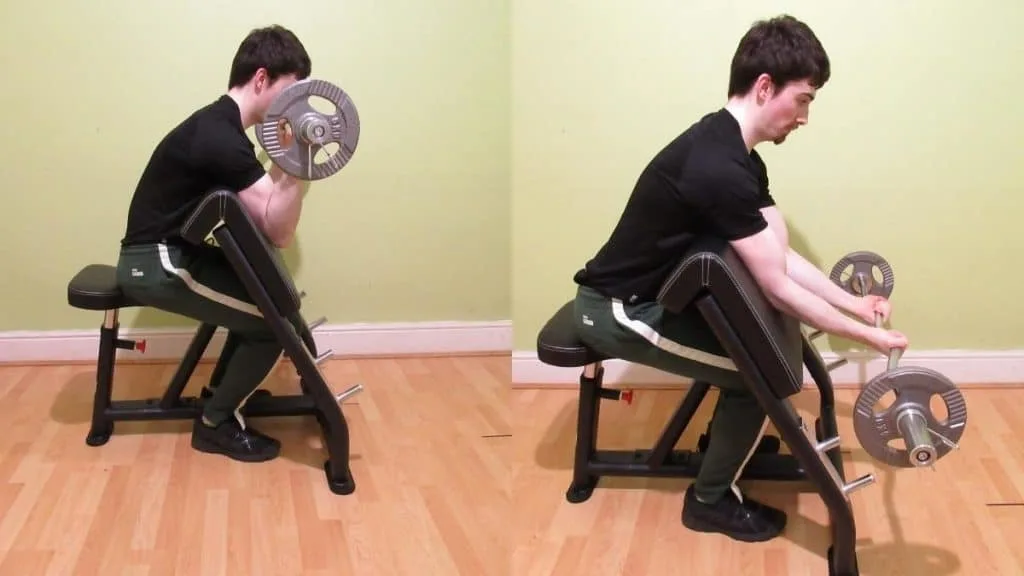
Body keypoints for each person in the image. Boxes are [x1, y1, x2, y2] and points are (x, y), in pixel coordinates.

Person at [571, 15, 908, 543]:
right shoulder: (716, 166)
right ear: (765, 87)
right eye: (803, 100)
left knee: (758, 366)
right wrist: (871, 338)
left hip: (651, 300)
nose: (805, 117)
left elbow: (779, 255)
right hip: (614, 310)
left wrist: (853, 305)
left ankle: (722, 447)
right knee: (759, 380)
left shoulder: (738, 154)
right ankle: (708, 501)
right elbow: (776, 286)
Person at [115, 25, 312, 463]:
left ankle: (220, 395)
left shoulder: (220, 127)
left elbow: (267, 222)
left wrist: (289, 161)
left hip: (169, 254)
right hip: (155, 263)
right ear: (261, 79)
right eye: (291, 92)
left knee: (264, 302)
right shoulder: (220, 138)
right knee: (270, 325)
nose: (294, 107)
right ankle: (215, 424)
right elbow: (277, 230)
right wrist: (295, 161)